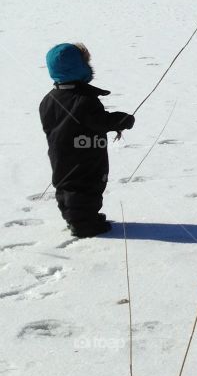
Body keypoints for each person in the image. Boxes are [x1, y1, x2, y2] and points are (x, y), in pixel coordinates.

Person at [39, 42, 135, 237]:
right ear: (80, 68)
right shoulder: (84, 100)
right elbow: (99, 121)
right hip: (85, 156)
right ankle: (83, 225)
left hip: (60, 156)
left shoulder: (49, 98)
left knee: (66, 185)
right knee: (86, 187)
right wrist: (122, 120)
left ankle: (80, 218)